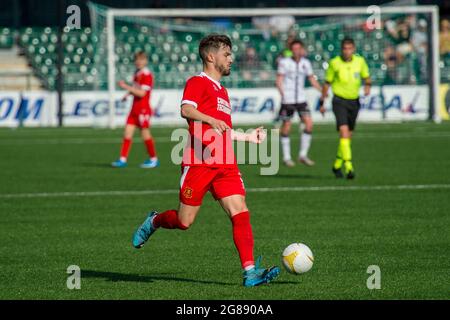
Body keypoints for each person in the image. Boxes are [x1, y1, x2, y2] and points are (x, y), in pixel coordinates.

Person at [131, 34, 280, 287]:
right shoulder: (197, 82)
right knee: (184, 221)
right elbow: (185, 110)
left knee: (240, 211)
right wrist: (209, 120)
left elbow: (222, 129)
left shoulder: (223, 91)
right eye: (227, 55)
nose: (231, 59)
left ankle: (250, 272)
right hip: (198, 161)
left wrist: (247, 138)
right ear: (211, 57)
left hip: (225, 163)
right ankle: (155, 220)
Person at [319, 37, 371, 179]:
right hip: (339, 101)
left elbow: (367, 77)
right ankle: (349, 167)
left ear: (353, 49)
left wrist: (367, 86)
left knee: (348, 135)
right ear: (341, 50)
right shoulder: (334, 63)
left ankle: (336, 165)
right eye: (344, 49)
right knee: (344, 132)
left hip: (354, 101)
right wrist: (322, 102)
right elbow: (327, 83)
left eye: (349, 48)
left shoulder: (360, 62)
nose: (347, 51)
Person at [276, 39, 322, 167]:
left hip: (301, 99)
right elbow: (279, 79)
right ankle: (286, 157)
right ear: (291, 50)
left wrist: (322, 90)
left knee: (309, 124)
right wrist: (282, 94)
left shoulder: (306, 63)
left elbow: (311, 78)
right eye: (294, 49)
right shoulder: (284, 62)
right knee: (286, 127)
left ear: (302, 49)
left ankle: (303, 155)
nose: (296, 51)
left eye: (298, 49)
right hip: (288, 99)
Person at [111, 51, 159, 168]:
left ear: (146, 61)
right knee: (127, 133)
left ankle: (153, 159)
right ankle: (122, 159)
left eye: (141, 59)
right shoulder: (137, 73)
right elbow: (135, 89)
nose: (139, 62)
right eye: (137, 59)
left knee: (145, 134)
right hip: (134, 109)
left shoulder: (147, 75)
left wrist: (126, 87)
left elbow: (142, 93)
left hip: (143, 109)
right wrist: (127, 94)